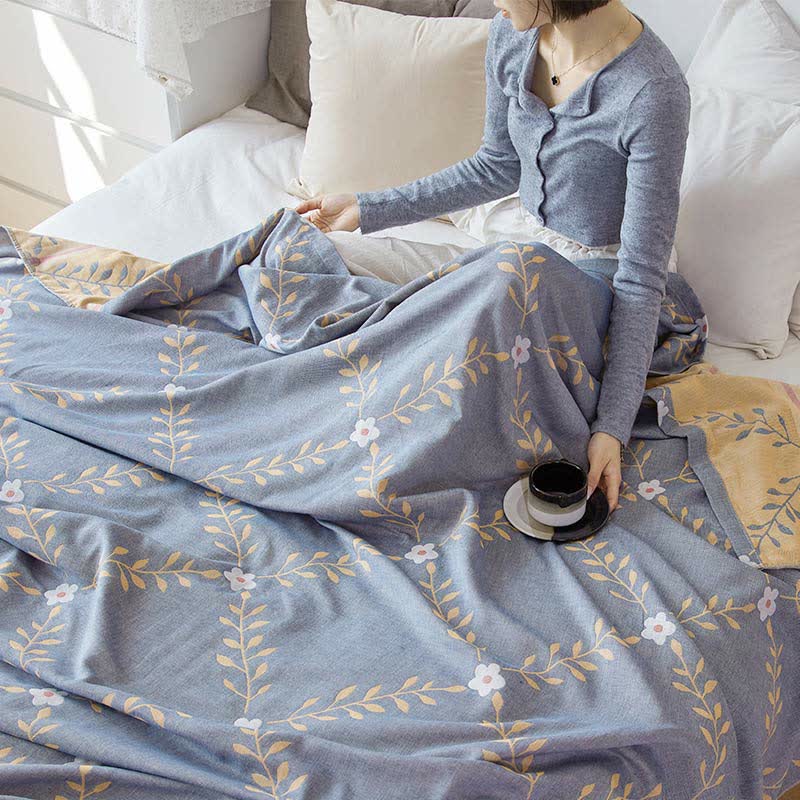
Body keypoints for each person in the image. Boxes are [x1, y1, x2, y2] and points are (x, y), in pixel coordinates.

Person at [295, 0, 691, 515]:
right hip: (518, 252)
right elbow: (497, 166)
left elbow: (639, 279)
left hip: (598, 280)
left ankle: (368, 469)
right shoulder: (512, 35)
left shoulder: (653, 92)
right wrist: (368, 207)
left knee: (498, 291)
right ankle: (325, 432)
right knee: (327, 257)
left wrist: (612, 428)